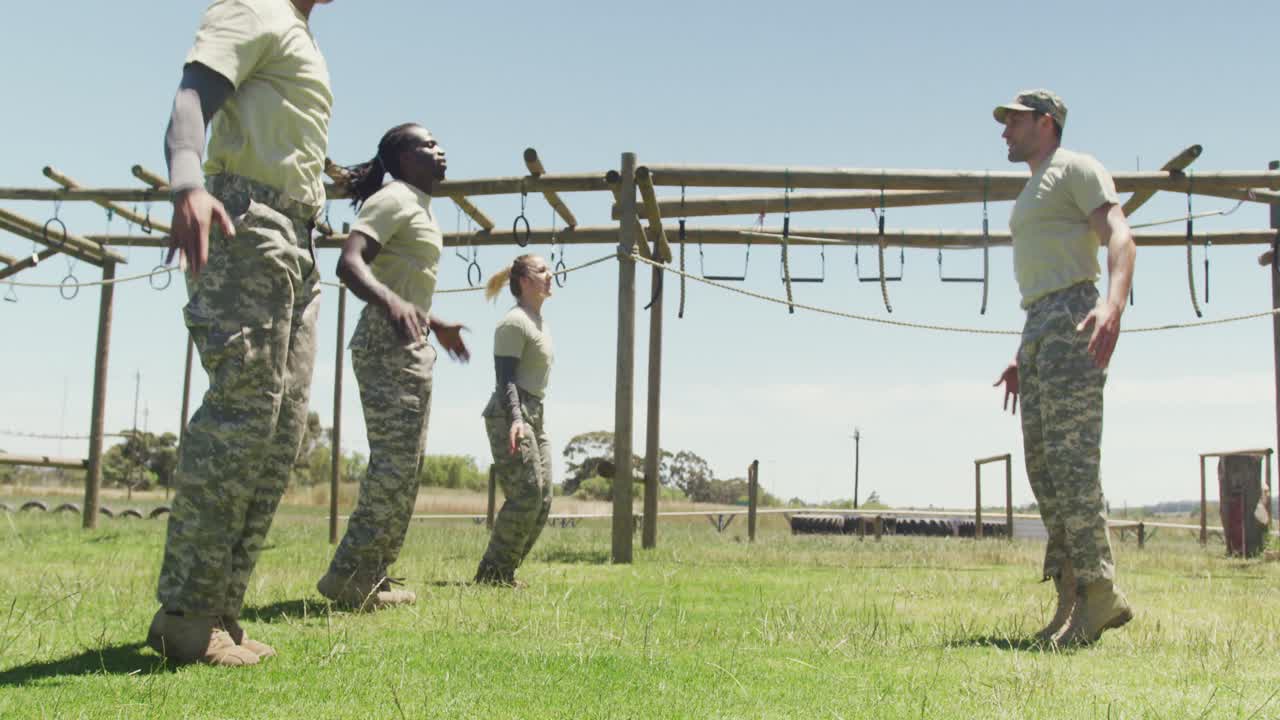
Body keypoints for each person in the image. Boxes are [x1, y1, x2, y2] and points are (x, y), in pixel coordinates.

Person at [148, 0, 335, 667]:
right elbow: (192, 96)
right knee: (243, 413)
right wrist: (187, 183)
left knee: (280, 430)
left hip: (297, 236)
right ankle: (185, 615)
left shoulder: (300, 35)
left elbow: (280, 138)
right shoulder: (253, 6)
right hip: (247, 222)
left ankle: (222, 609)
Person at [991, 89, 1137, 646]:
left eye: (1015, 121)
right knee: (1045, 468)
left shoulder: (1077, 168)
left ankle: (1101, 593)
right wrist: (1022, 351)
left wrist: (1113, 305)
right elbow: (1042, 278)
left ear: (1046, 122)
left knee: (1073, 464)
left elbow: (1121, 237)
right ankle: (1072, 597)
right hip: (1040, 326)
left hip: (1074, 317)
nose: (1005, 131)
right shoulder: (1032, 189)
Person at [316, 123, 469, 609]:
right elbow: (350, 263)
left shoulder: (419, 205)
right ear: (404, 158)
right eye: (428, 144)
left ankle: (372, 574)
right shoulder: (394, 199)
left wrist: (433, 322)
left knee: (406, 468)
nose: (440, 150)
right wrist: (392, 305)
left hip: (411, 341)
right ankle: (349, 576)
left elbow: (401, 283)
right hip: (385, 343)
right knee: (393, 465)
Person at [474, 255, 556, 587]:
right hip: (510, 414)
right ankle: (492, 573)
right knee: (527, 493)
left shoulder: (539, 322)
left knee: (543, 497)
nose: (550, 274)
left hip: (535, 413)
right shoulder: (514, 322)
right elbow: (505, 379)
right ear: (524, 281)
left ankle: (504, 571)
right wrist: (517, 418)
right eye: (542, 270)